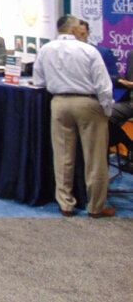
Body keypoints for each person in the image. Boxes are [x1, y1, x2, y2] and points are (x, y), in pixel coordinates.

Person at [33, 15, 115, 218]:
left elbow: (39, 81)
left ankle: (65, 204)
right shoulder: (88, 50)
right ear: (72, 29)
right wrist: (107, 109)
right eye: (79, 25)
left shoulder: (45, 50)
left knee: (62, 156)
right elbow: (103, 86)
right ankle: (96, 207)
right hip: (88, 104)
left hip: (59, 103)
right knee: (95, 158)